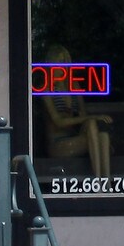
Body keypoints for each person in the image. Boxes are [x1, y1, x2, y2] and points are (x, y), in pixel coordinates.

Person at [38, 47, 113, 180]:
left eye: (66, 61)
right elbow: (58, 121)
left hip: (75, 136)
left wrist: (88, 120)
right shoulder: (46, 89)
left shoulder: (73, 86)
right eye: (59, 62)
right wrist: (91, 117)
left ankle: (106, 185)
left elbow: (83, 115)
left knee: (103, 136)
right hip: (58, 143)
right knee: (91, 123)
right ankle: (98, 183)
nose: (63, 65)